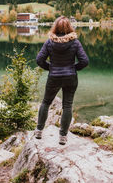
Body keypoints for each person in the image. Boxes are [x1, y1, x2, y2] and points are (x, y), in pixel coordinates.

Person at [35, 16, 89, 145]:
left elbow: (39, 60)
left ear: (55, 27)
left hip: (54, 76)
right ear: (69, 27)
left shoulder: (49, 42)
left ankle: (38, 131)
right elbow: (85, 61)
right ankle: (63, 137)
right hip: (70, 77)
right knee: (67, 105)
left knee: (46, 103)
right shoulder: (75, 42)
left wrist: (51, 68)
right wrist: (73, 68)